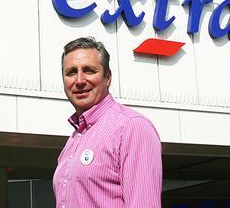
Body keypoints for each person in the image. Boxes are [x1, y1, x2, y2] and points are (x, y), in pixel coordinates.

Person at [53, 37, 162, 208]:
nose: (79, 80)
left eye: (89, 70)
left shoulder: (132, 127)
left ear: (108, 77)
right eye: (71, 72)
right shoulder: (74, 140)